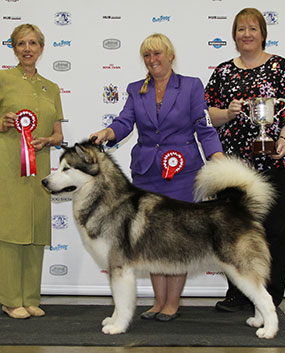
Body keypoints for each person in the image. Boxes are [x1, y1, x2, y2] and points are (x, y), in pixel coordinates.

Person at [90, 33, 223, 321]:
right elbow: (124, 122)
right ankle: (158, 301)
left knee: (177, 239)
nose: (152, 60)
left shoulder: (191, 86)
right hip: (147, 173)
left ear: (170, 55)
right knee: (151, 239)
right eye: (147, 56)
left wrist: (218, 159)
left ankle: (172, 302)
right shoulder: (135, 89)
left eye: (157, 54)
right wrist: (108, 133)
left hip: (183, 174)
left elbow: (205, 126)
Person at [205, 8, 285, 312]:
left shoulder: (282, 67)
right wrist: (228, 113)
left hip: (278, 160)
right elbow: (209, 116)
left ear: (263, 33)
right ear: (234, 35)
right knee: (234, 229)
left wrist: (284, 138)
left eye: (252, 29)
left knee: (276, 227)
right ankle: (238, 293)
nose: (246, 34)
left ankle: (270, 294)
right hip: (235, 168)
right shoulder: (222, 72)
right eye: (241, 29)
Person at [0, 24, 64, 319]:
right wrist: (2, 122)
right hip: (9, 166)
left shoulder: (51, 87)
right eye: (21, 44)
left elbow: (58, 135)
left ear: (42, 47)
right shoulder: (2, 79)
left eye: (33, 43)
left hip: (39, 166)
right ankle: (11, 299)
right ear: (13, 48)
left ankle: (31, 297)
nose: (27, 49)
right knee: (11, 231)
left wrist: (47, 140)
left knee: (36, 230)